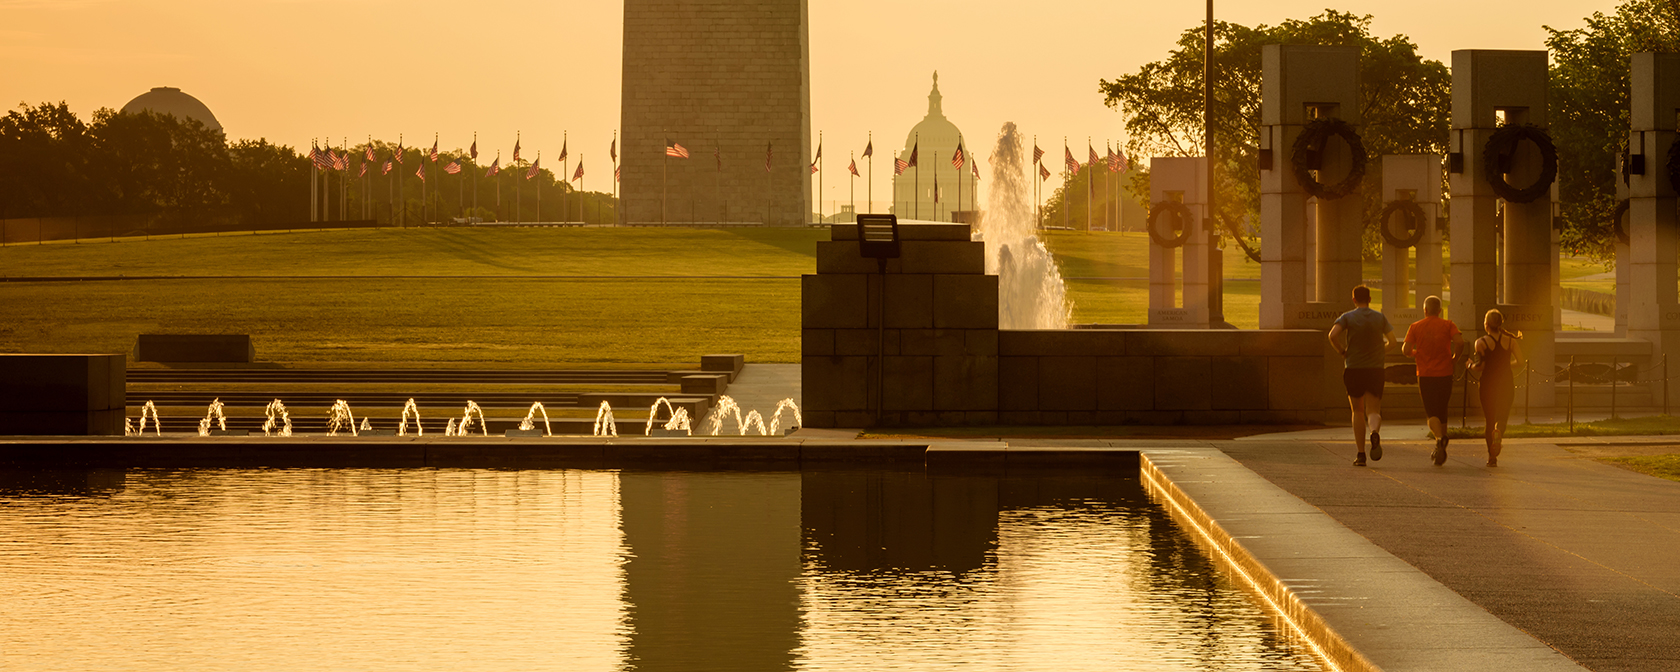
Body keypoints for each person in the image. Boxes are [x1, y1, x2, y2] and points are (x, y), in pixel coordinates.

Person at [1328, 285, 1397, 466]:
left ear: (1354, 300)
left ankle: (1360, 454)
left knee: (1357, 411)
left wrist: (1342, 351)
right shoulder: (1379, 317)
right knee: (1373, 410)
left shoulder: (1348, 317)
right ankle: (1374, 431)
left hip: (1354, 368)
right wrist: (1381, 351)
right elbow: (1393, 341)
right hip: (1375, 369)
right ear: (1370, 299)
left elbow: (1332, 335)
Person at [1402, 296, 1461, 466]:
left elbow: (1406, 349)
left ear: (1425, 310)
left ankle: (1439, 439)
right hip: (1445, 373)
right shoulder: (1448, 324)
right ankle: (1441, 444)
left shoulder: (1415, 326)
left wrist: (1415, 353)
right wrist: (1455, 357)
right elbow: (1459, 341)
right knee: (1442, 410)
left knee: (1431, 412)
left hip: (1426, 374)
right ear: (1440, 311)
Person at [1471, 309, 1523, 467]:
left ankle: (1492, 458)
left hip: (1488, 384)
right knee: (1502, 417)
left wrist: (1469, 365)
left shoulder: (1481, 342)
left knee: (1489, 419)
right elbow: (1521, 362)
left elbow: (1480, 366)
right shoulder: (1511, 341)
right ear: (1500, 324)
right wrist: (1507, 366)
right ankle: (1499, 430)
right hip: (1506, 383)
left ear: (1486, 324)